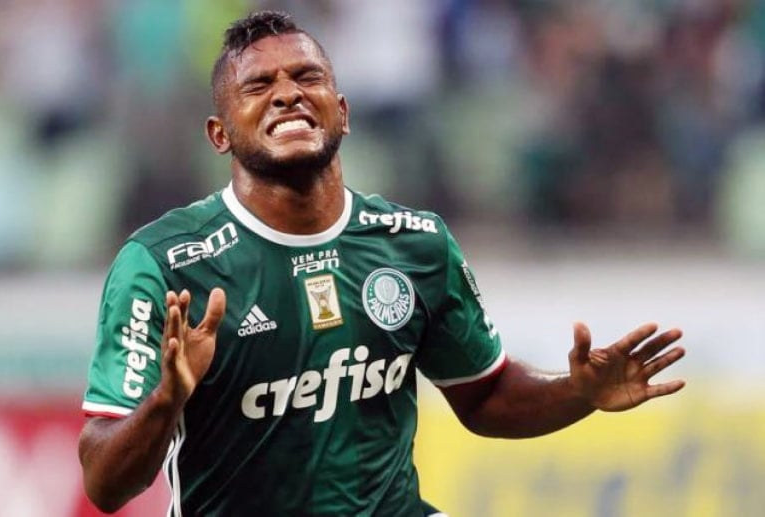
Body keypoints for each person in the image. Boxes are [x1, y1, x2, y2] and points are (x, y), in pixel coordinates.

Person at [78, 11, 686, 516]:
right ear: (219, 134)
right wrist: (168, 397)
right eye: (259, 86)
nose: (287, 92)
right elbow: (105, 483)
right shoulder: (164, 265)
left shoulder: (414, 244)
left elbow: (487, 396)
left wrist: (577, 391)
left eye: (305, 76)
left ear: (341, 110)